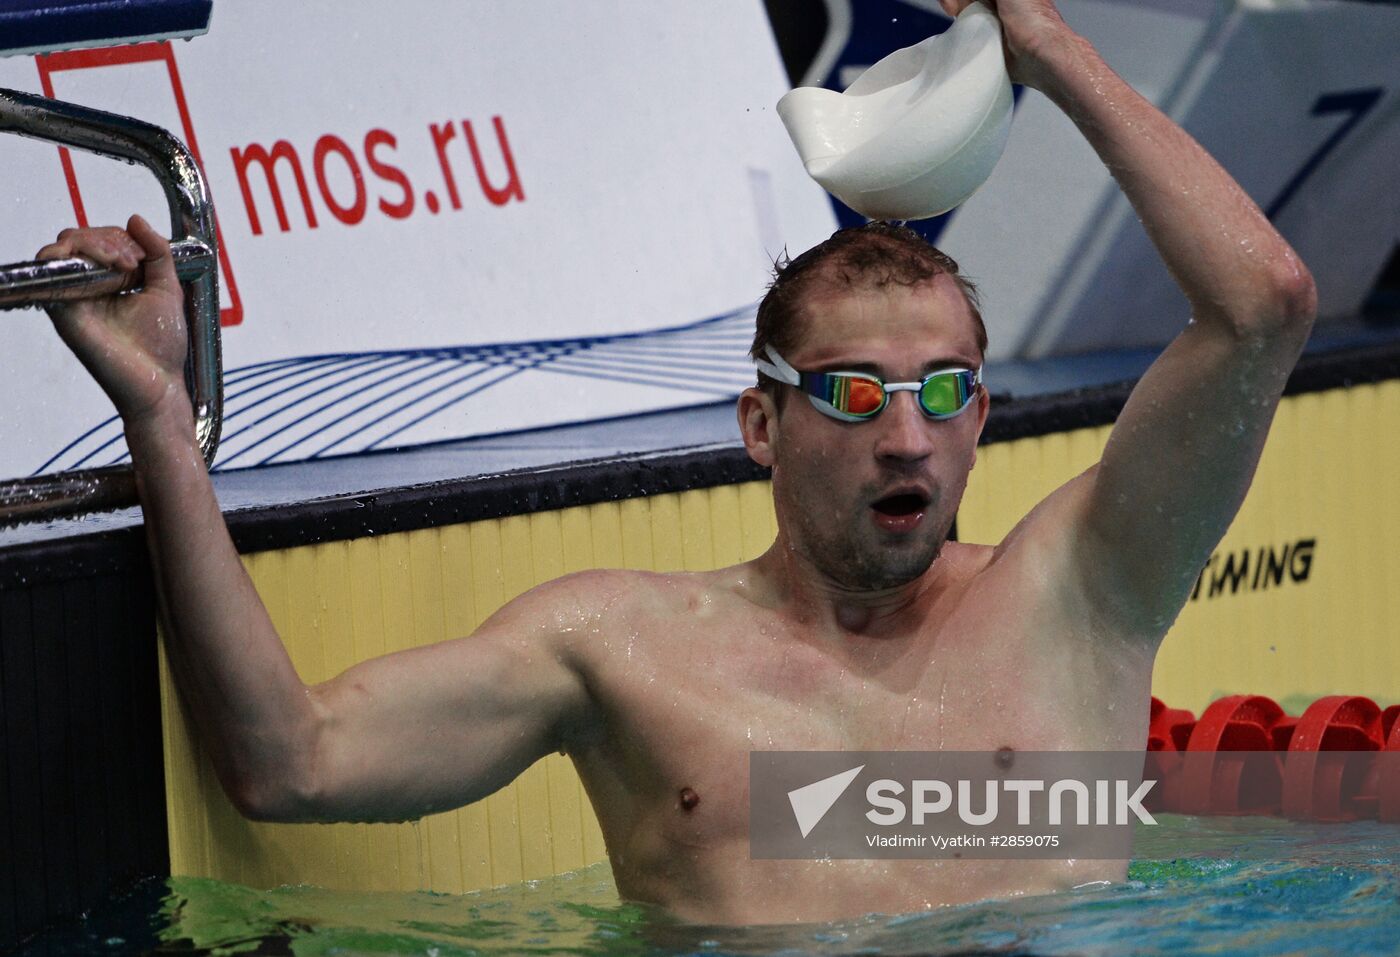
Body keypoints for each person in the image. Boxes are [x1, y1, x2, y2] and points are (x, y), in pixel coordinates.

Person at [38, 0, 1314, 926]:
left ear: (982, 416)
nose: (906, 434)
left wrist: (1050, 51)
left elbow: (1260, 304)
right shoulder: (621, 652)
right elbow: (291, 764)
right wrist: (161, 420)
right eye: (855, 394)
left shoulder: (1079, 595)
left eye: (941, 393)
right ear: (760, 426)